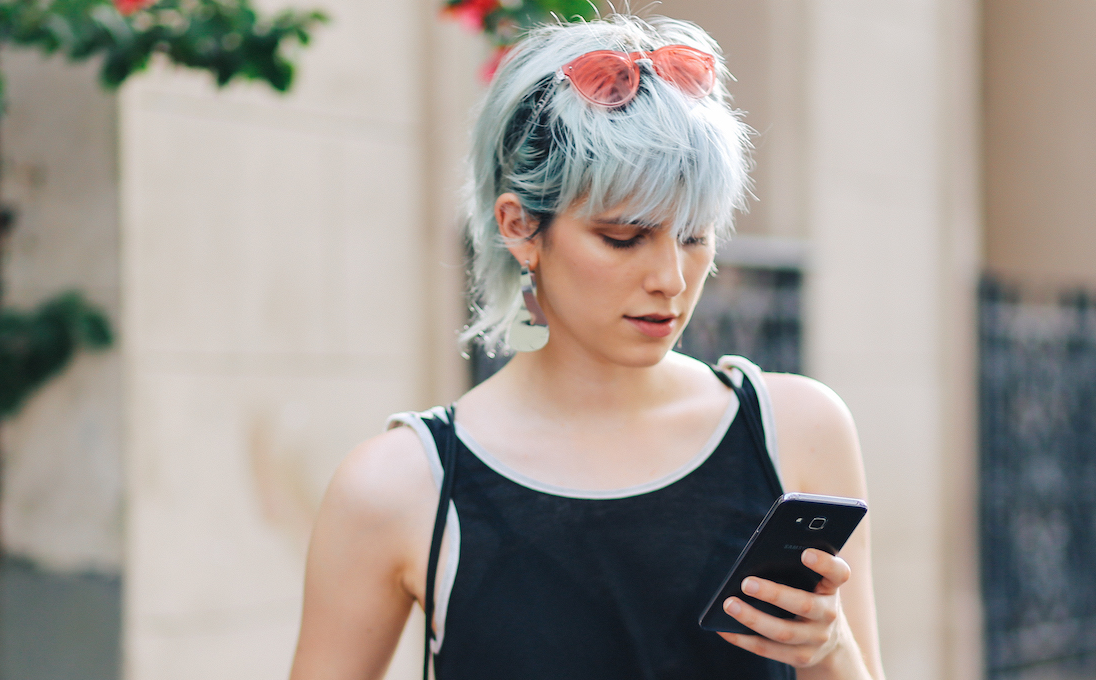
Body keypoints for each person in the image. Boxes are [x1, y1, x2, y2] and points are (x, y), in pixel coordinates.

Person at [289, 14, 883, 680]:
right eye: (624, 238)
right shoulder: (400, 487)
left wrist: (831, 653)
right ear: (520, 227)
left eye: (693, 235)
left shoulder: (795, 431)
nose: (671, 279)